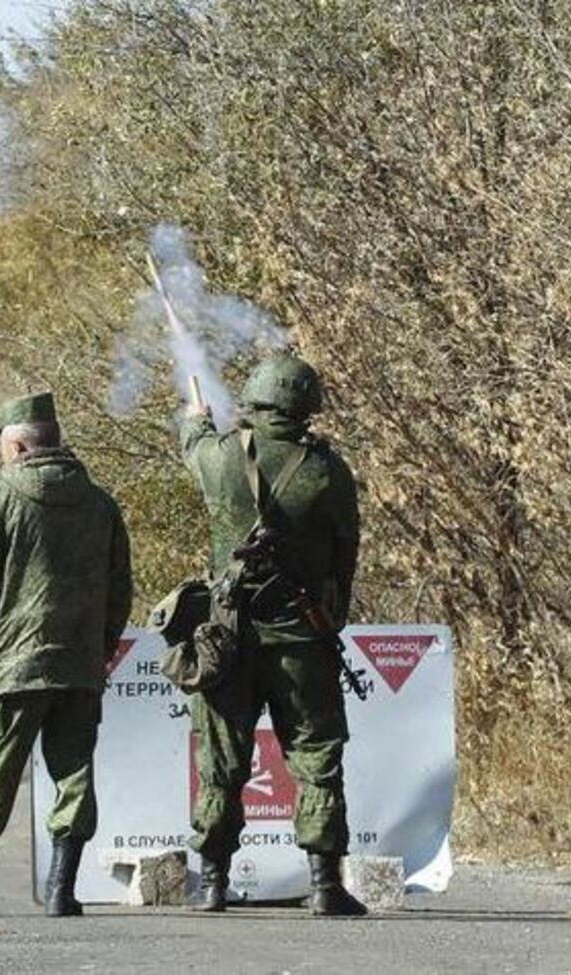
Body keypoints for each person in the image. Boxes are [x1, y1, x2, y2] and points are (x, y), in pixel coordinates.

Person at [0, 391, 133, 918]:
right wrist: (100, 649)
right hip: (79, 666)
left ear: (17, 446)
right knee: (74, 774)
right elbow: (119, 591)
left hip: (11, 669)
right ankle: (63, 890)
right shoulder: (101, 504)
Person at [178, 353, 366, 916]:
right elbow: (345, 555)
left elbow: (193, 446)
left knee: (221, 760)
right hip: (303, 641)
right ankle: (325, 884)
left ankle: (213, 881)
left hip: (227, 640)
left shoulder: (221, 456)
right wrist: (332, 615)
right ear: (307, 407)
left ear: (255, 403)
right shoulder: (327, 472)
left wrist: (195, 418)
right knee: (316, 756)